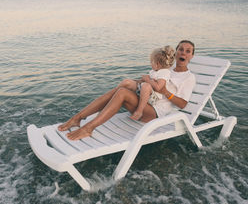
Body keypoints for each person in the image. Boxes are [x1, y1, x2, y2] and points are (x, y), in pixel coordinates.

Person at [58, 40, 196, 141]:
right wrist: (134, 83)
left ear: (191, 56)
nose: (183, 52)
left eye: (188, 51)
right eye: (181, 49)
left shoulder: (189, 78)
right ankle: (77, 118)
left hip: (155, 113)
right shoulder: (166, 69)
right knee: (124, 86)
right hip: (148, 101)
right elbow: (148, 84)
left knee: (122, 93)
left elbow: (183, 104)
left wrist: (165, 91)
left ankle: (88, 128)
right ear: (176, 53)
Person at [129, 45, 175, 121]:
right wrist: (136, 81)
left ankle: (139, 111)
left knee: (146, 86)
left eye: (151, 61)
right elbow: (147, 80)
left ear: (157, 64)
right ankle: (113, 96)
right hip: (147, 94)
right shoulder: (154, 71)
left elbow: (158, 87)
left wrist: (147, 80)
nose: (150, 64)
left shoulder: (165, 73)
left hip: (154, 98)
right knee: (127, 82)